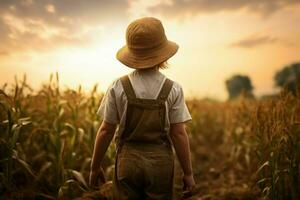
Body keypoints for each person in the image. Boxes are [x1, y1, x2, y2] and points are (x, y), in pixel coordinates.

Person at [89, 17, 195, 200]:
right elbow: (178, 133)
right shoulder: (173, 88)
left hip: (127, 161)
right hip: (160, 163)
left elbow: (106, 130)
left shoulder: (117, 86)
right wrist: (188, 173)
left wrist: (94, 166)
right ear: (163, 53)